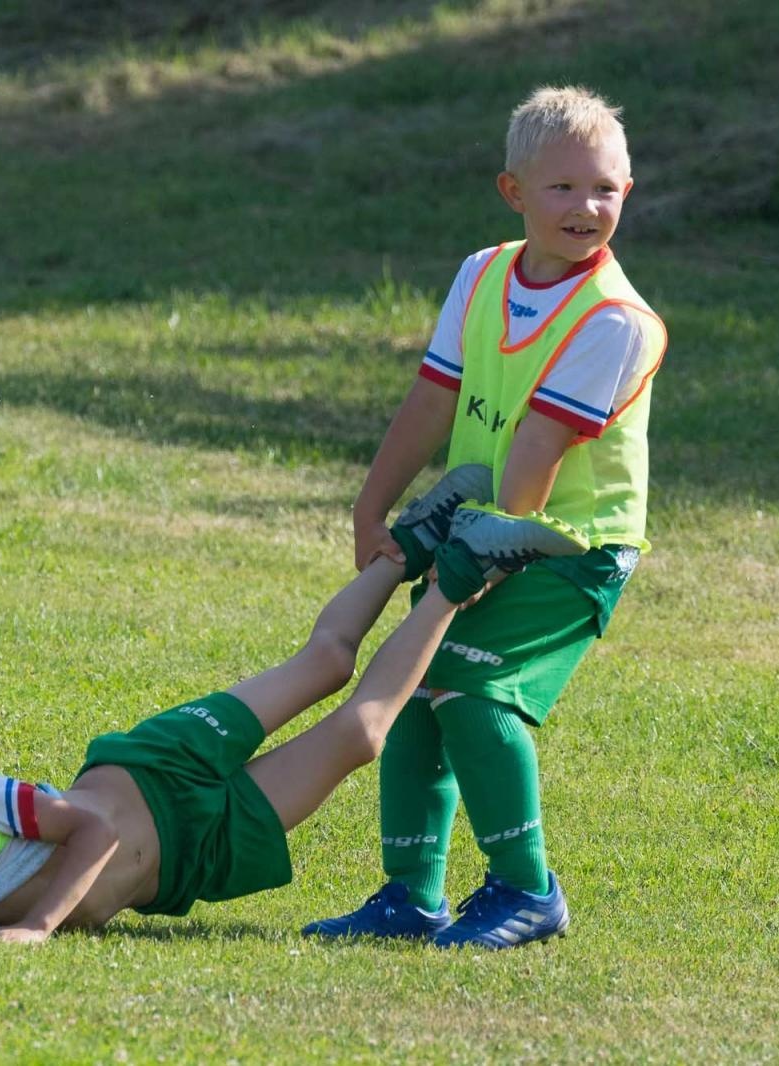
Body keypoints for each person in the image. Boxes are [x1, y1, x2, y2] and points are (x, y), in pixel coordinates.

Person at [0, 469, 588, 942]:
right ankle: (461, 570)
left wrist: (37, 927)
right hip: (193, 853)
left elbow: (90, 829)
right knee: (364, 734)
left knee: (327, 662)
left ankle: (407, 546)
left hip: (156, 766)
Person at [303, 85, 667, 949]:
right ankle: (410, 897)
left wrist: (487, 559)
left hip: (574, 548)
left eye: (605, 189)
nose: (586, 207)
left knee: (470, 688)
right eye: (563, 187)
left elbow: (539, 448)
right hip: (486, 528)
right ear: (513, 191)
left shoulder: (617, 320)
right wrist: (371, 504)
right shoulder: (483, 273)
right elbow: (434, 397)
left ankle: (527, 890)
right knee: (415, 695)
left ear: (627, 191)